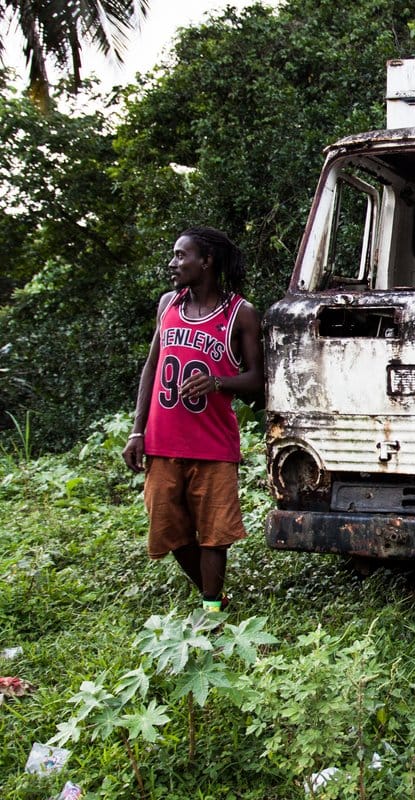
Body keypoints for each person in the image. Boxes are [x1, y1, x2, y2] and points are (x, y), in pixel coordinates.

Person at [122, 227, 263, 614]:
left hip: (213, 444)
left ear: (207, 261)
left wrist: (218, 382)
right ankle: (213, 595)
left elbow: (258, 380)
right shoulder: (168, 304)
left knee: (215, 537)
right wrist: (138, 430)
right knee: (170, 531)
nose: (173, 263)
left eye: (181, 255)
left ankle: (212, 610)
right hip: (163, 440)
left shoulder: (241, 313)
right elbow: (152, 366)